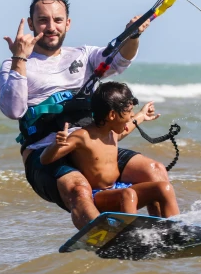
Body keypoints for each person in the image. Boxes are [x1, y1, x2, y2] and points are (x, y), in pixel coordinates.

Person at [0, 0, 170, 229]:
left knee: (154, 170)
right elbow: (13, 110)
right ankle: (106, 237)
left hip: (91, 146)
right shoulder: (15, 65)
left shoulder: (84, 55)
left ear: (67, 23)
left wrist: (133, 36)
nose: (51, 27)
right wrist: (20, 58)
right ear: (31, 24)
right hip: (46, 155)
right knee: (79, 190)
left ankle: (164, 234)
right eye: (43, 20)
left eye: (57, 20)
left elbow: (120, 60)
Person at [40, 82, 180, 217]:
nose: (131, 116)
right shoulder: (82, 136)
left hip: (118, 188)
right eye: (129, 112)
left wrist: (142, 115)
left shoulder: (112, 131)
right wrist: (56, 145)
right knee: (128, 194)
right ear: (112, 115)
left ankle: (174, 229)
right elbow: (45, 160)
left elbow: (130, 125)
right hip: (98, 196)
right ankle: (130, 234)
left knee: (164, 188)